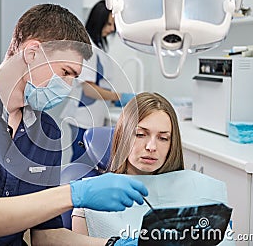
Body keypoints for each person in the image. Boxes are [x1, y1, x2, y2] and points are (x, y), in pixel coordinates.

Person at [0, 3, 149, 246]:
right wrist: (73, 194)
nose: (67, 86)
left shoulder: (47, 132)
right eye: (65, 72)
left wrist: (113, 244)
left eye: (74, 78)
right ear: (32, 52)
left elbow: (46, 236)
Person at [72, 92, 185, 239]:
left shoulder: (187, 193)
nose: (151, 147)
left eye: (163, 138)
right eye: (140, 134)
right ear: (122, 136)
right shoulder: (89, 202)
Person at [60, 0, 134, 163]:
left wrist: (114, 100)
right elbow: (89, 89)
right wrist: (118, 96)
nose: (112, 29)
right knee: (81, 166)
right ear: (98, 20)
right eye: (108, 24)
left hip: (91, 117)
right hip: (83, 118)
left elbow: (100, 83)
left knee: (88, 165)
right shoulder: (88, 48)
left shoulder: (98, 47)